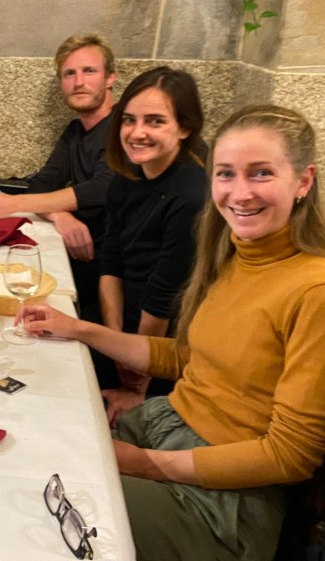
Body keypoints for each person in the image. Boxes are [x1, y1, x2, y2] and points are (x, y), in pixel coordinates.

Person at [21, 104, 325, 561]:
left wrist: (147, 465)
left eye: (261, 173)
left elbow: (291, 455)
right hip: (166, 432)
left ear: (304, 181)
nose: (240, 193)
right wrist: (79, 328)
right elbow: (189, 359)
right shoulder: (237, 253)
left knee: (33, 506)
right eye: (226, 174)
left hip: (224, 502)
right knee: (27, 432)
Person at [0, 33, 117, 325]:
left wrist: (14, 204)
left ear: (110, 77)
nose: (78, 82)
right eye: (69, 74)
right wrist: (60, 215)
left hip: (111, 267)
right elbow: (43, 182)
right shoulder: (75, 131)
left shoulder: (123, 128)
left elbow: (102, 188)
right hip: (77, 252)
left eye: (89, 71)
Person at [90, 66, 208, 421]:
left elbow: (164, 295)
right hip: (129, 326)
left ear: (184, 128)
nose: (137, 133)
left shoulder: (192, 194)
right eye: (129, 120)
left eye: (155, 121)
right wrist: (116, 342)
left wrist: (138, 374)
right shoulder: (127, 178)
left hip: (170, 346)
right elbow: (111, 261)